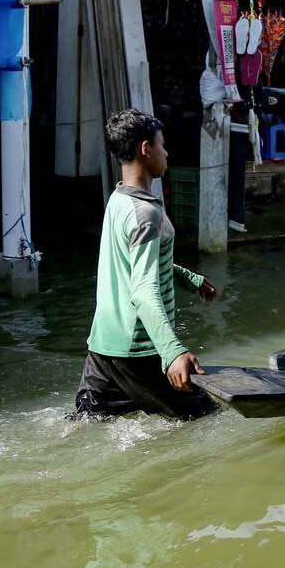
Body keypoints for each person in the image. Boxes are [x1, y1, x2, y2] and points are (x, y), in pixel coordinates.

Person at [70, 109, 219, 420]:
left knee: (85, 426)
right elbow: (143, 289)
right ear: (145, 148)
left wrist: (189, 278)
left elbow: (133, 267)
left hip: (103, 344)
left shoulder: (119, 200)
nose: (166, 152)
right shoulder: (144, 213)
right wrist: (173, 352)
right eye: (162, 144)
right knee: (205, 416)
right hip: (138, 348)